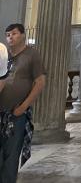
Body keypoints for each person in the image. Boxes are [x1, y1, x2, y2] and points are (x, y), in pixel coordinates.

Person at [0, 24, 46, 183]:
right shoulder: (4, 56)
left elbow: (40, 82)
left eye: (14, 34)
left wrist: (23, 107)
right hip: (1, 112)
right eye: (7, 35)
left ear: (23, 35)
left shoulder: (31, 55)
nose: (10, 37)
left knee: (11, 155)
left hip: (16, 113)